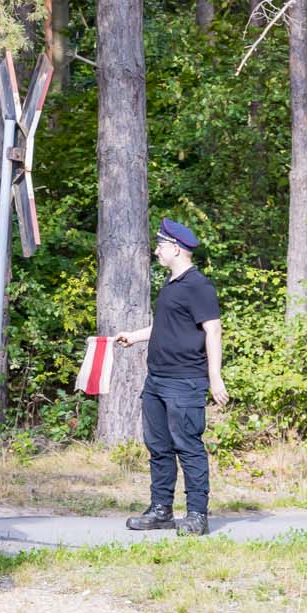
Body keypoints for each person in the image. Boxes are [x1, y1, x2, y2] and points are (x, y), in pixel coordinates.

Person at [120, 218, 224, 535]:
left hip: (185, 382)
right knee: (159, 447)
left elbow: (213, 329)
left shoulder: (198, 286)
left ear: (175, 249)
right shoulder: (172, 285)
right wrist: (134, 336)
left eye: (160, 246)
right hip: (157, 380)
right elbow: (167, 327)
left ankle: (196, 515)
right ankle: (161, 510)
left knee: (188, 446)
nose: (156, 251)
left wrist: (215, 377)